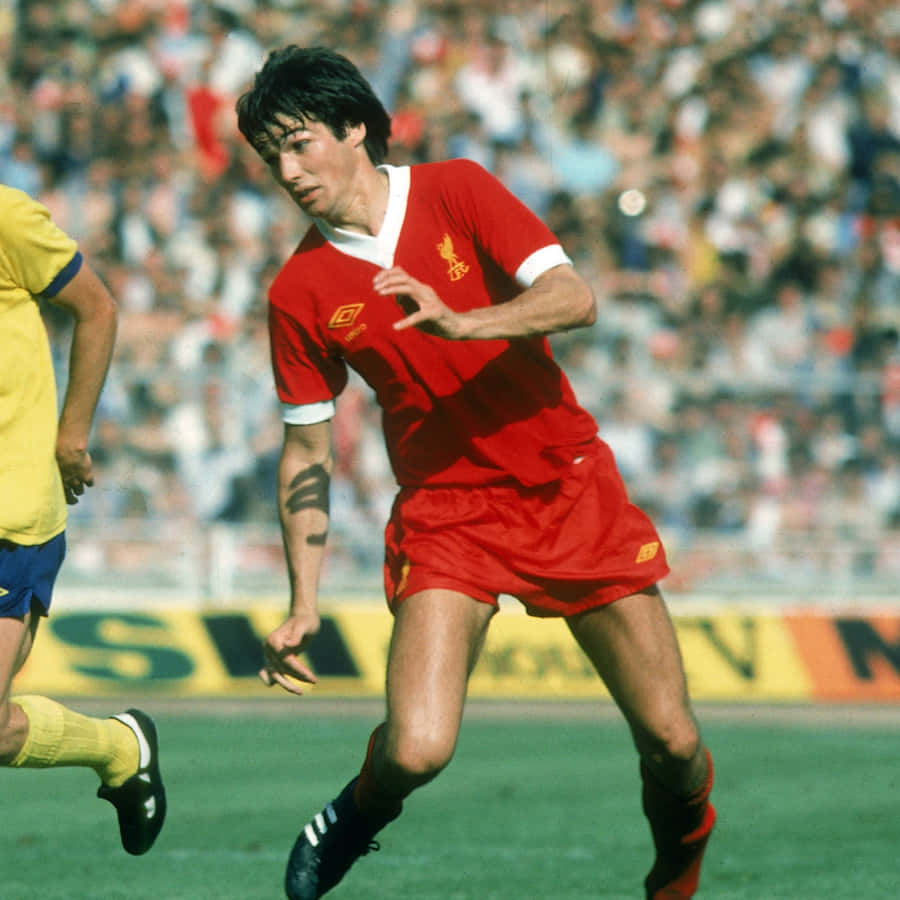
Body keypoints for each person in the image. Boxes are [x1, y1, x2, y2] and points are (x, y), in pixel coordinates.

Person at [236, 46, 716, 900]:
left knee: (674, 744)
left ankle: (678, 864)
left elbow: (576, 297)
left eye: (301, 142)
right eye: (272, 155)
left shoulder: (456, 188)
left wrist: (466, 323)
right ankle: (355, 812)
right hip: (448, 512)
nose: (287, 168)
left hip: (566, 486)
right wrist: (302, 600)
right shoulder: (298, 291)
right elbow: (306, 452)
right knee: (417, 748)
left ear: (355, 128)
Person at [0, 184, 166, 855]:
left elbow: (96, 308)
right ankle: (120, 749)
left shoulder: (7, 217)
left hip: (11, 511)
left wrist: (72, 435)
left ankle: (117, 747)